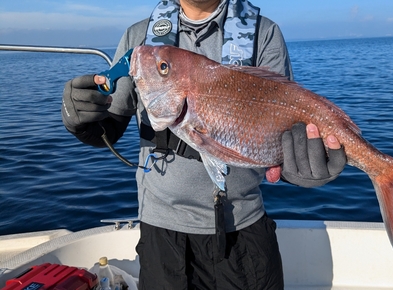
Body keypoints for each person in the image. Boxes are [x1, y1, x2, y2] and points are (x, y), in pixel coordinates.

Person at [61, 0, 346, 289]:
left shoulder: (264, 33)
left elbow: (279, 136)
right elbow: (110, 127)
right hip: (162, 234)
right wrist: (82, 119)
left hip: (243, 228)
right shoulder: (140, 39)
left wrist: (303, 168)